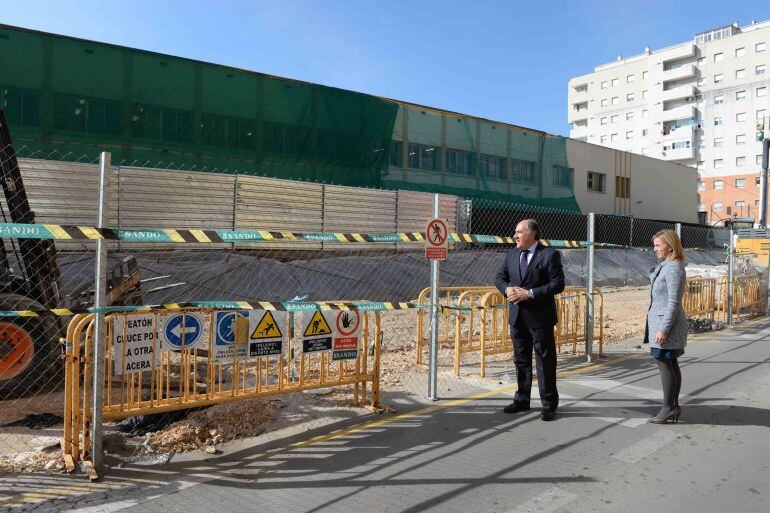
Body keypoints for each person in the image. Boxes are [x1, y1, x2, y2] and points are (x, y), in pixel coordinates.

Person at [494, 219, 565, 421]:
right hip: (517, 317)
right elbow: (499, 278)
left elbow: (558, 284)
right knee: (521, 360)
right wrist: (507, 289)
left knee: (545, 361)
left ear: (532, 234)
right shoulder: (512, 254)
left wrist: (530, 293)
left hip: (540, 317)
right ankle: (522, 399)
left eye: (518, 232)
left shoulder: (549, 254)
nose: (514, 236)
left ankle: (549, 404)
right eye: (515, 232)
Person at [644, 229, 688, 424]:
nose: (654, 249)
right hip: (662, 324)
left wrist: (664, 329)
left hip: (667, 326)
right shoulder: (667, 265)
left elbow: (673, 302)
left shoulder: (674, 268)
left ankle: (668, 408)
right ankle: (673, 406)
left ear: (669, 246)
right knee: (669, 363)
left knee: (665, 364)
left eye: (657, 245)